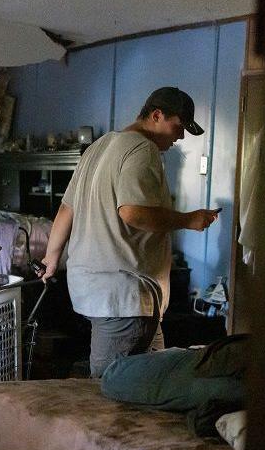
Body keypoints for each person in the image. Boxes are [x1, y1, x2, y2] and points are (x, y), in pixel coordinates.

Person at [38, 86, 220, 377]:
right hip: (123, 297)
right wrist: (188, 220)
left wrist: (51, 259)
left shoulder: (98, 147)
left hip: (100, 292)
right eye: (178, 127)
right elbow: (133, 212)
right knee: (111, 392)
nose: (180, 137)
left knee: (155, 383)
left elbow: (65, 210)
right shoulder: (142, 148)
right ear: (156, 115)